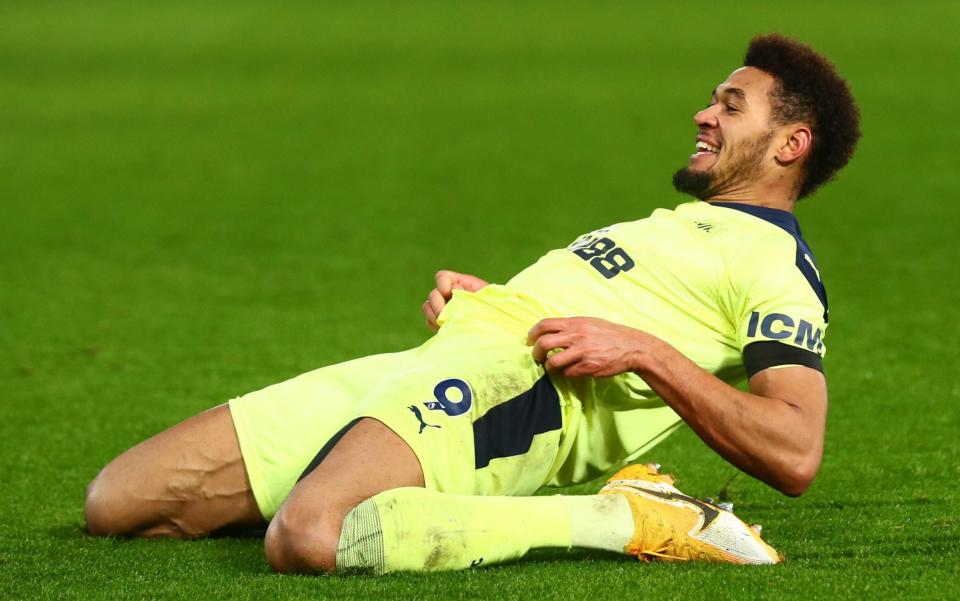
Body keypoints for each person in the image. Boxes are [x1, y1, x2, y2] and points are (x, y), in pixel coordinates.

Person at [84, 33, 860, 573]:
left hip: (519, 392)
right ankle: (374, 482)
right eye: (712, 100)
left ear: (790, 144)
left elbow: (795, 449)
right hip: (447, 357)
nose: (703, 114)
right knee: (119, 502)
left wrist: (644, 350)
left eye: (731, 105)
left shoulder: (779, 268)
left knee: (311, 539)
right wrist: (497, 299)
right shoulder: (690, 223)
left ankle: (624, 517)